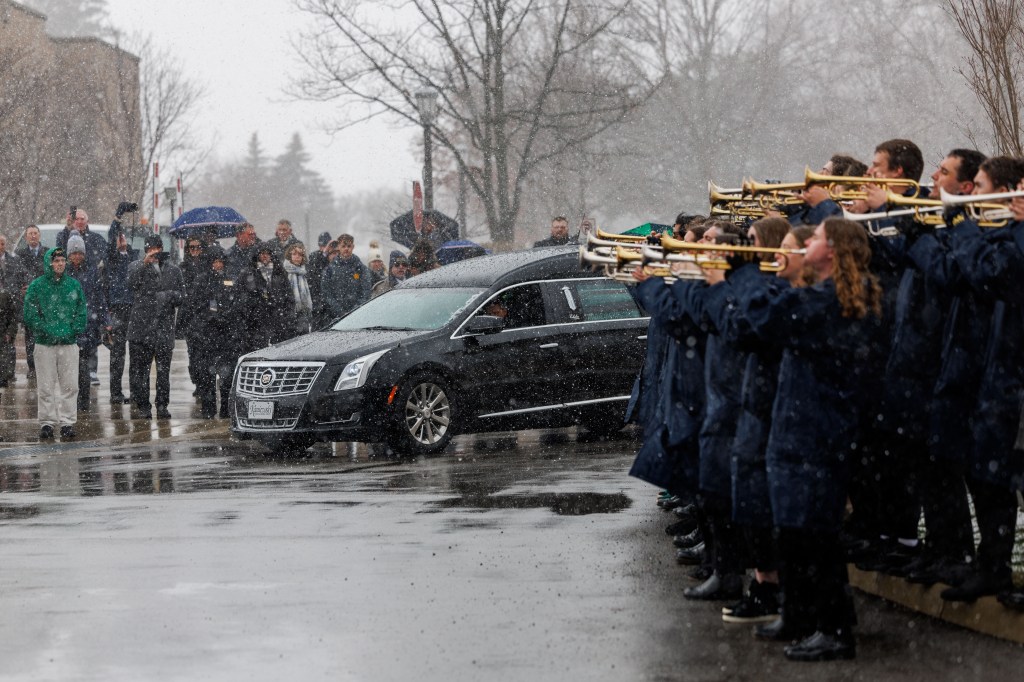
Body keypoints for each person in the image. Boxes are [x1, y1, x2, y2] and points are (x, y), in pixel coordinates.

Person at [727, 218, 884, 661]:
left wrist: (746, 273)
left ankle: (835, 629)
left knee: (815, 535)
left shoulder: (828, 301)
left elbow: (763, 318)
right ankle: (801, 615)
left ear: (832, 250)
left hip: (816, 432)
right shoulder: (823, 297)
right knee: (795, 532)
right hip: (802, 427)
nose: (808, 242)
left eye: (814, 238)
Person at [22, 247, 87, 441]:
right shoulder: (37, 286)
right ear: (49, 263)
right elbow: (30, 314)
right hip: (44, 344)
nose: (60, 264)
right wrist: (47, 330)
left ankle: (67, 422)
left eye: (62, 260)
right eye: (56, 261)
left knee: (70, 385)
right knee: (45, 385)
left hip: (68, 344)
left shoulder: (73, 286)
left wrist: (72, 330)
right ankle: (47, 422)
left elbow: (81, 312)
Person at [127, 234, 184, 420]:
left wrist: (167, 296)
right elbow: (131, 285)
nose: (154, 254)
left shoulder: (174, 270)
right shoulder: (136, 266)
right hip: (142, 328)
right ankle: (144, 406)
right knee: (141, 372)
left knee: (163, 372)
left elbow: (182, 297)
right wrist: (145, 264)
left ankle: (162, 405)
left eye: (156, 250)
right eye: (150, 250)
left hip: (164, 328)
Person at [190, 246, 245, 419]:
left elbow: (236, 303)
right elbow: (196, 306)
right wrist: (209, 317)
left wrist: (227, 317)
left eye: (220, 261)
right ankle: (208, 408)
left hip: (227, 334)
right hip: (207, 334)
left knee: (227, 375)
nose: (218, 265)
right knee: (207, 375)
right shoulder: (201, 280)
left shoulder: (230, 279)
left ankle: (226, 410)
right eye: (215, 262)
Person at [65, 234, 108, 413]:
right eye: (73, 253)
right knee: (70, 368)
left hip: (88, 325)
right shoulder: (64, 274)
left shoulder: (91, 272)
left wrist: (105, 321)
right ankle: (72, 400)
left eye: (79, 253)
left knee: (84, 368)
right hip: (68, 327)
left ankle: (83, 401)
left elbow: (99, 298)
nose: (76, 256)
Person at [104, 229, 137, 404]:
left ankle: (135, 391)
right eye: (118, 237)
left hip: (133, 308)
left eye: (123, 237)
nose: (121, 240)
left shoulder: (133, 256)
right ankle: (115, 392)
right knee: (117, 354)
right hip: (117, 309)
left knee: (135, 353)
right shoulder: (111, 258)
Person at [239, 242, 293, 347]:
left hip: (279, 320)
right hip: (257, 322)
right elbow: (242, 296)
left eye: (267, 253)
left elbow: (289, 296)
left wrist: (287, 316)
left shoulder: (279, 272)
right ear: (257, 255)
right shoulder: (249, 273)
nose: (265, 256)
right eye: (262, 253)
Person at [15, 225, 46, 380]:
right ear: (26, 237)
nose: (33, 236)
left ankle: (44, 366)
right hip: (27, 301)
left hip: (45, 301)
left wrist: (37, 287)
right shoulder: (20, 255)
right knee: (29, 336)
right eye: (30, 234)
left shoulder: (47, 253)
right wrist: (24, 287)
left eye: (35, 233)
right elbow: (18, 274)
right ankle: (32, 367)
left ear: (39, 235)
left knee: (44, 334)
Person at [321, 233, 371, 320]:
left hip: (358, 316)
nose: (346, 249)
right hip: (335, 317)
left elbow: (366, 292)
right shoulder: (330, 269)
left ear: (353, 247)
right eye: (343, 246)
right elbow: (327, 293)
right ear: (339, 247)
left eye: (349, 246)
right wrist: (339, 311)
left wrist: (355, 310)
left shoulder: (361, 268)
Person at [0, 234, 22, 386]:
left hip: (7, 305)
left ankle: (8, 374)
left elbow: (12, 316)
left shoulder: (13, 260)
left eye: (2, 243)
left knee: (8, 347)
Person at [282, 243, 314, 337]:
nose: (297, 257)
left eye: (300, 255)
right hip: (288, 312)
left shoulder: (303, 272)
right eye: (294, 254)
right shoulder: (284, 271)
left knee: (304, 336)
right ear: (289, 256)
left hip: (302, 312)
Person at [307, 232, 333, 329]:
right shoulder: (314, 256)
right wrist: (324, 254)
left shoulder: (335, 255)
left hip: (331, 302)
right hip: (318, 300)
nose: (323, 248)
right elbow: (313, 273)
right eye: (321, 245)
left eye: (325, 245)